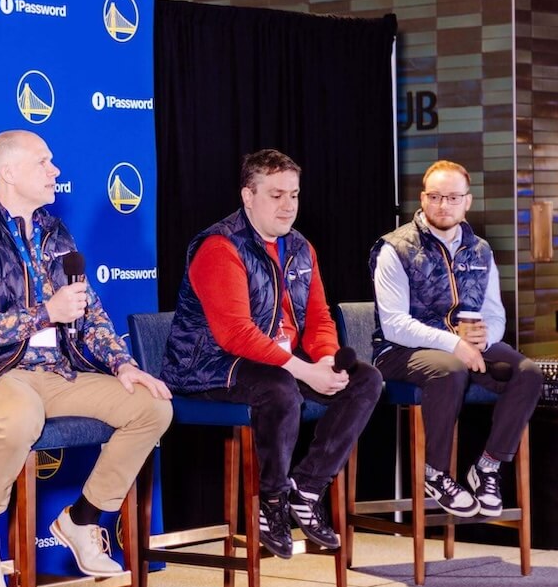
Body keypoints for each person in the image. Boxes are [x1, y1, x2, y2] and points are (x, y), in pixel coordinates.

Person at [0, 129, 173, 587]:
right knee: (22, 414)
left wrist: (124, 365)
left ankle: (82, 520)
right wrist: (47, 312)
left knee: (151, 406)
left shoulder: (56, 235)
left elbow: (90, 311)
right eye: (43, 162)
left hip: (55, 373)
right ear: (8, 172)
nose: (55, 171)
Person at [160, 149, 382, 559]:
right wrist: (302, 370)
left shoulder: (300, 247)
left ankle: (307, 489)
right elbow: (235, 334)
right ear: (248, 196)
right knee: (280, 388)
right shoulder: (219, 245)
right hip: (208, 367)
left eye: (294, 195)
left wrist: (326, 361)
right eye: (276, 195)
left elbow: (318, 317)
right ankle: (272, 501)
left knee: (365, 379)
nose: (288, 206)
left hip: (274, 362)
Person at [370, 159, 542, 517]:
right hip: (401, 351)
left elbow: (494, 313)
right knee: (449, 368)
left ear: (468, 201)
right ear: (422, 198)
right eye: (435, 196)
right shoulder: (394, 248)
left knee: (528, 373)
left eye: (452, 197)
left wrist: (483, 339)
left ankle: (488, 467)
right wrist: (456, 345)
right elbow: (394, 324)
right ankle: (435, 472)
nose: (443, 205)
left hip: (464, 348)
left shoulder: (480, 249)